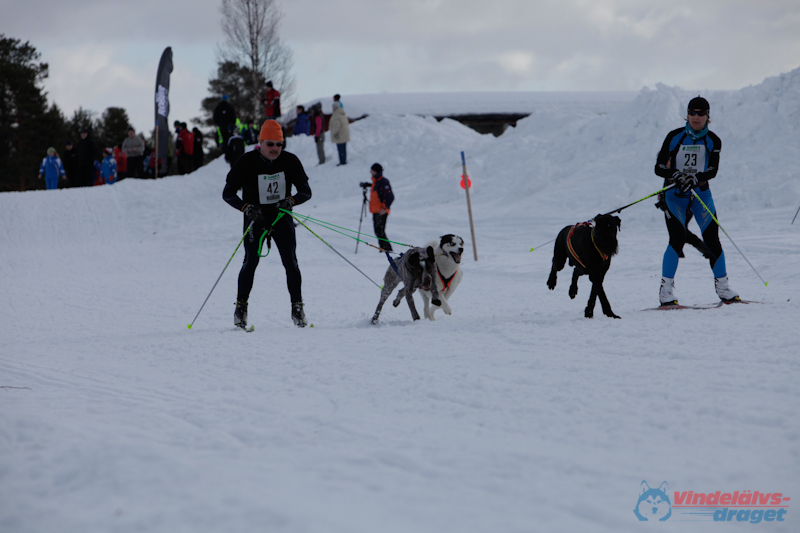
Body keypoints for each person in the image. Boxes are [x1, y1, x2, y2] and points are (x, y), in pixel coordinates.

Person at [222, 119, 312, 328]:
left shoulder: (290, 161)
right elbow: (228, 193)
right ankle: (241, 307)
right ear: (260, 142)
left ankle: (297, 307)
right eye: (270, 144)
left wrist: (291, 200)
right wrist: (246, 208)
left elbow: (306, 191)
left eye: (279, 144)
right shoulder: (246, 161)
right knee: (250, 261)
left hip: (281, 217)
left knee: (290, 262)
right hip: (256, 218)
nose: (275, 149)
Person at [654, 96, 739, 305]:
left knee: (712, 240)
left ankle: (723, 288)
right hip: (675, 195)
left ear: (707, 116)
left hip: (700, 194)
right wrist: (676, 175)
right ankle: (665, 291)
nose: (696, 117)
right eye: (692, 112)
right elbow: (658, 167)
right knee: (676, 238)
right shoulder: (674, 136)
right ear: (687, 114)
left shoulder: (713, 140)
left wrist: (696, 178)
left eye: (701, 113)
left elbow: (713, 170)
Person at [367, 163, 394, 252]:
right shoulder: (376, 182)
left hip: (381, 211)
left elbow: (390, 196)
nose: (371, 172)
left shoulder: (383, 181)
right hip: (376, 211)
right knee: (378, 231)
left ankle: (386, 249)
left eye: (372, 170)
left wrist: (385, 207)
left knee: (380, 231)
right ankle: (383, 249)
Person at [329, 98, 350, 166]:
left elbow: (336, 126)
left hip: (340, 135)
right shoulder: (342, 113)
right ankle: (344, 160)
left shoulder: (336, 114)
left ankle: (342, 162)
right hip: (345, 134)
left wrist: (335, 134)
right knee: (343, 149)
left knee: (340, 149)